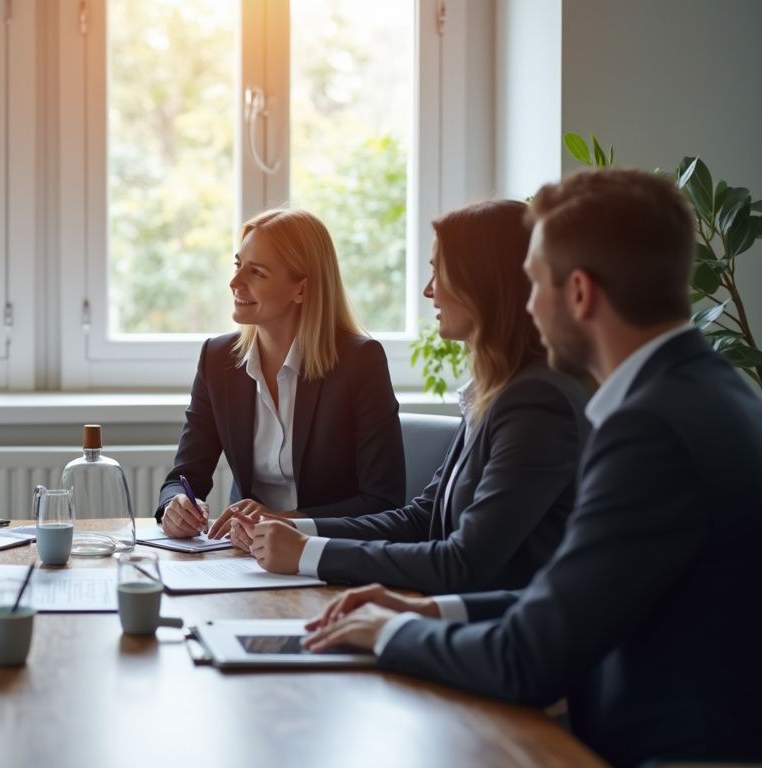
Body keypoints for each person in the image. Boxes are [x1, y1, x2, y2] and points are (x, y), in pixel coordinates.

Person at [301, 169, 762, 767]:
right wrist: (428, 610)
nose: (527, 305)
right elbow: (571, 597)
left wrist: (389, 634)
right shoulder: (707, 391)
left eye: (534, 282)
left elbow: (528, 659)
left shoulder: (650, 428)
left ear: (579, 293)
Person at [228, 200, 588, 594]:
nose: (428, 290)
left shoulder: (536, 404)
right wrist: (294, 528)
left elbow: (463, 562)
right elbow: (422, 518)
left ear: (485, 282)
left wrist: (308, 554)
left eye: (439, 272)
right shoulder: (497, 392)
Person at [157, 209, 405, 538]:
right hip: (243, 556)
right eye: (237, 265)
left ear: (301, 290)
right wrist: (175, 505)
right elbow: (183, 476)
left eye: (256, 272)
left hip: (329, 555)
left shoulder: (359, 362)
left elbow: (382, 501)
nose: (234, 282)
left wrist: (287, 522)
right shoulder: (217, 360)